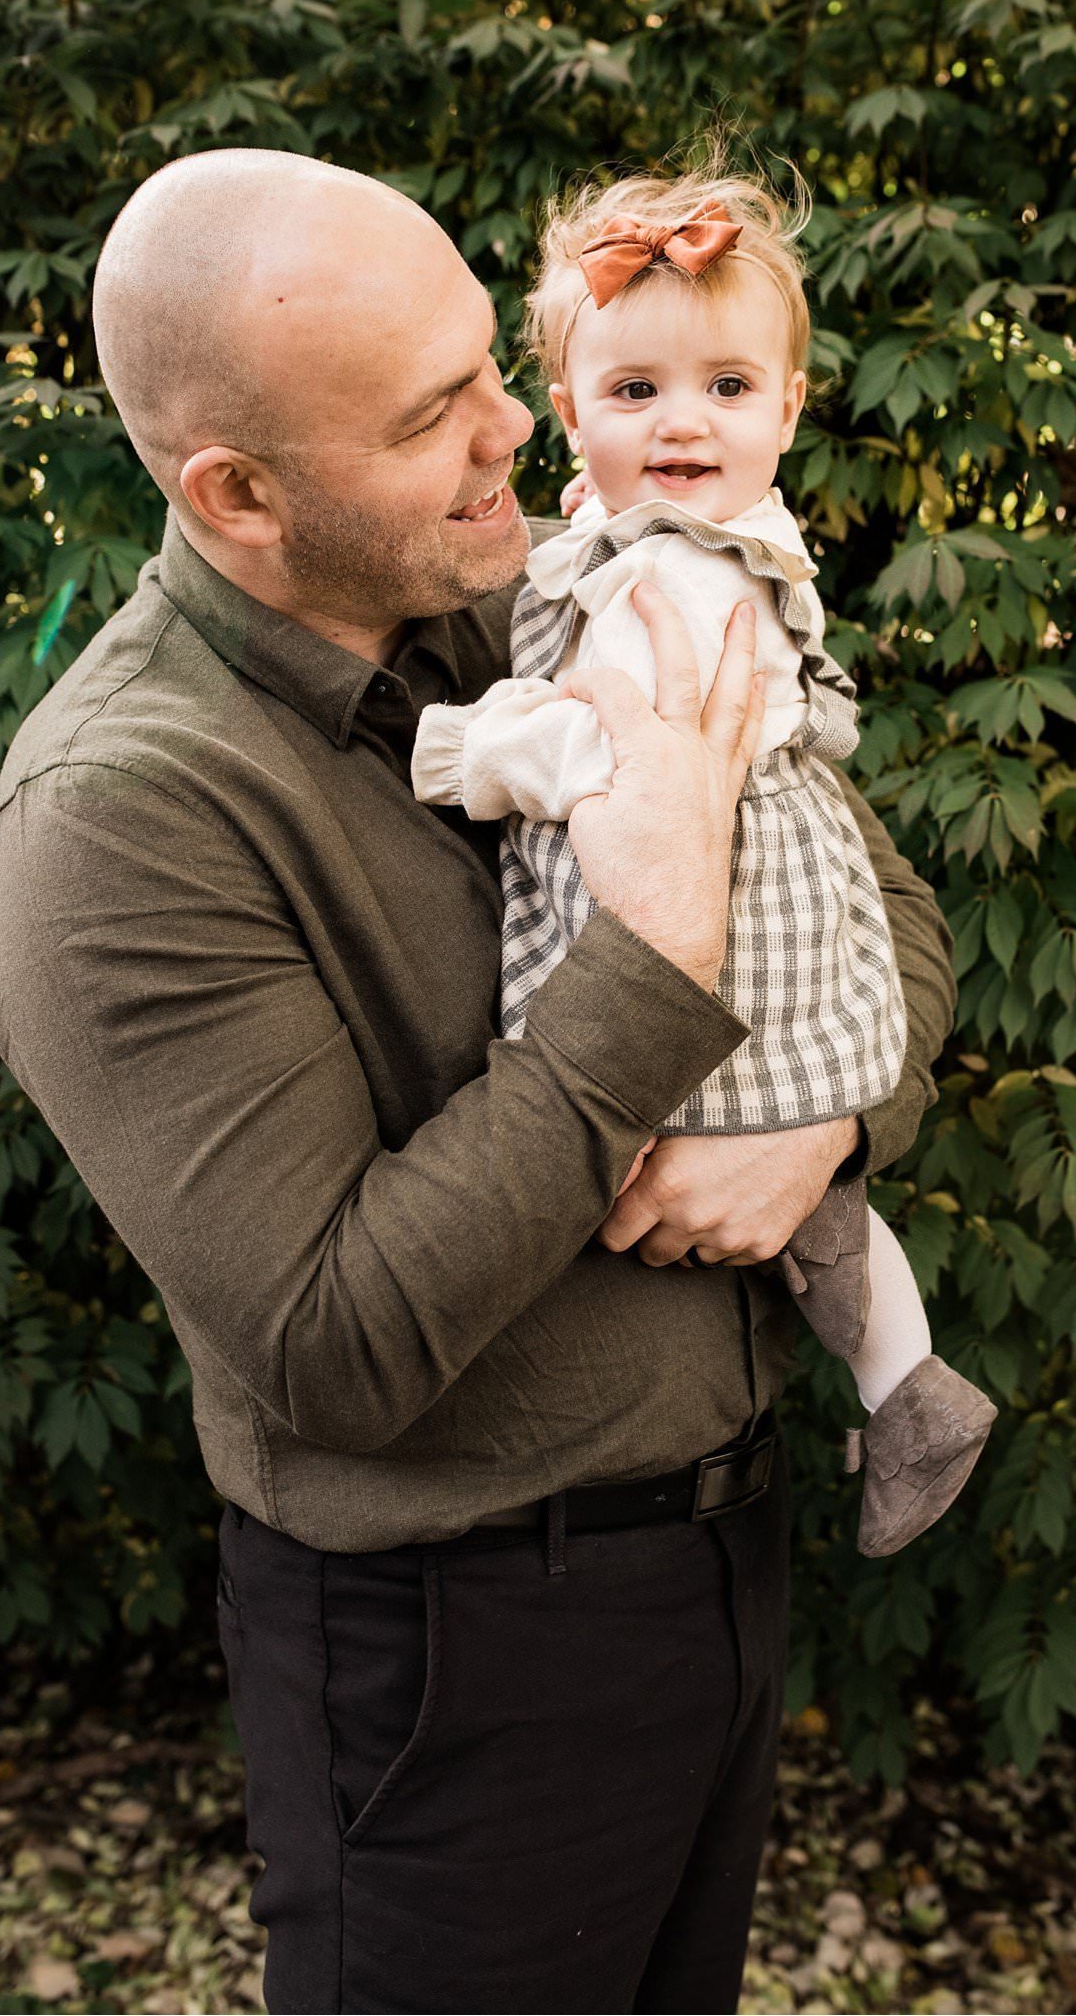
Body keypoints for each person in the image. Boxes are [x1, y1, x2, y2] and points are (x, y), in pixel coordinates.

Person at [0, 148, 958, 2016]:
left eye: (493, 364)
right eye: (440, 412)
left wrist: (819, 1129)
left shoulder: (549, 597)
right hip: (455, 1664)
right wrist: (655, 961)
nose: (527, 422)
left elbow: (890, 921)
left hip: (722, 1570)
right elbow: (331, 1339)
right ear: (240, 494)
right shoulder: (119, 820)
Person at [411, 166, 995, 1555]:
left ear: (790, 409)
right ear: (570, 415)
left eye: (729, 388)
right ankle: (906, 1384)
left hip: (708, 932)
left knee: (612, 1175)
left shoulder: (674, 576)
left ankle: (905, 1388)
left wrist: (461, 752)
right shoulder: (680, 539)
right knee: (812, 1208)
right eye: (635, 394)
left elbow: (600, 754)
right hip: (770, 920)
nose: (683, 420)